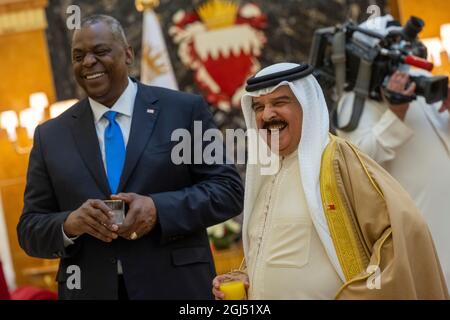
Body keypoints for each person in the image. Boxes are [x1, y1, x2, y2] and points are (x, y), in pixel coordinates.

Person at [17, 15, 244, 300]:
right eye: (78, 56)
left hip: (178, 288)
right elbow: (29, 229)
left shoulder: (183, 111)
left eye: (100, 52)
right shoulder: (50, 136)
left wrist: (157, 209)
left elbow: (228, 191)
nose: (88, 62)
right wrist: (70, 224)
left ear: (128, 55)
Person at [212, 62, 448, 299]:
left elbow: (402, 232)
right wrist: (248, 277)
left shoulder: (336, 160)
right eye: (259, 107)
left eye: (279, 103)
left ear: (307, 105)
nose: (267, 114)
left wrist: (363, 293)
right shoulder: (268, 172)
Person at [336, 15, 450, 285]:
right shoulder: (355, 102)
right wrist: (395, 114)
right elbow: (359, 163)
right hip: (425, 228)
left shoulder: (420, 77)